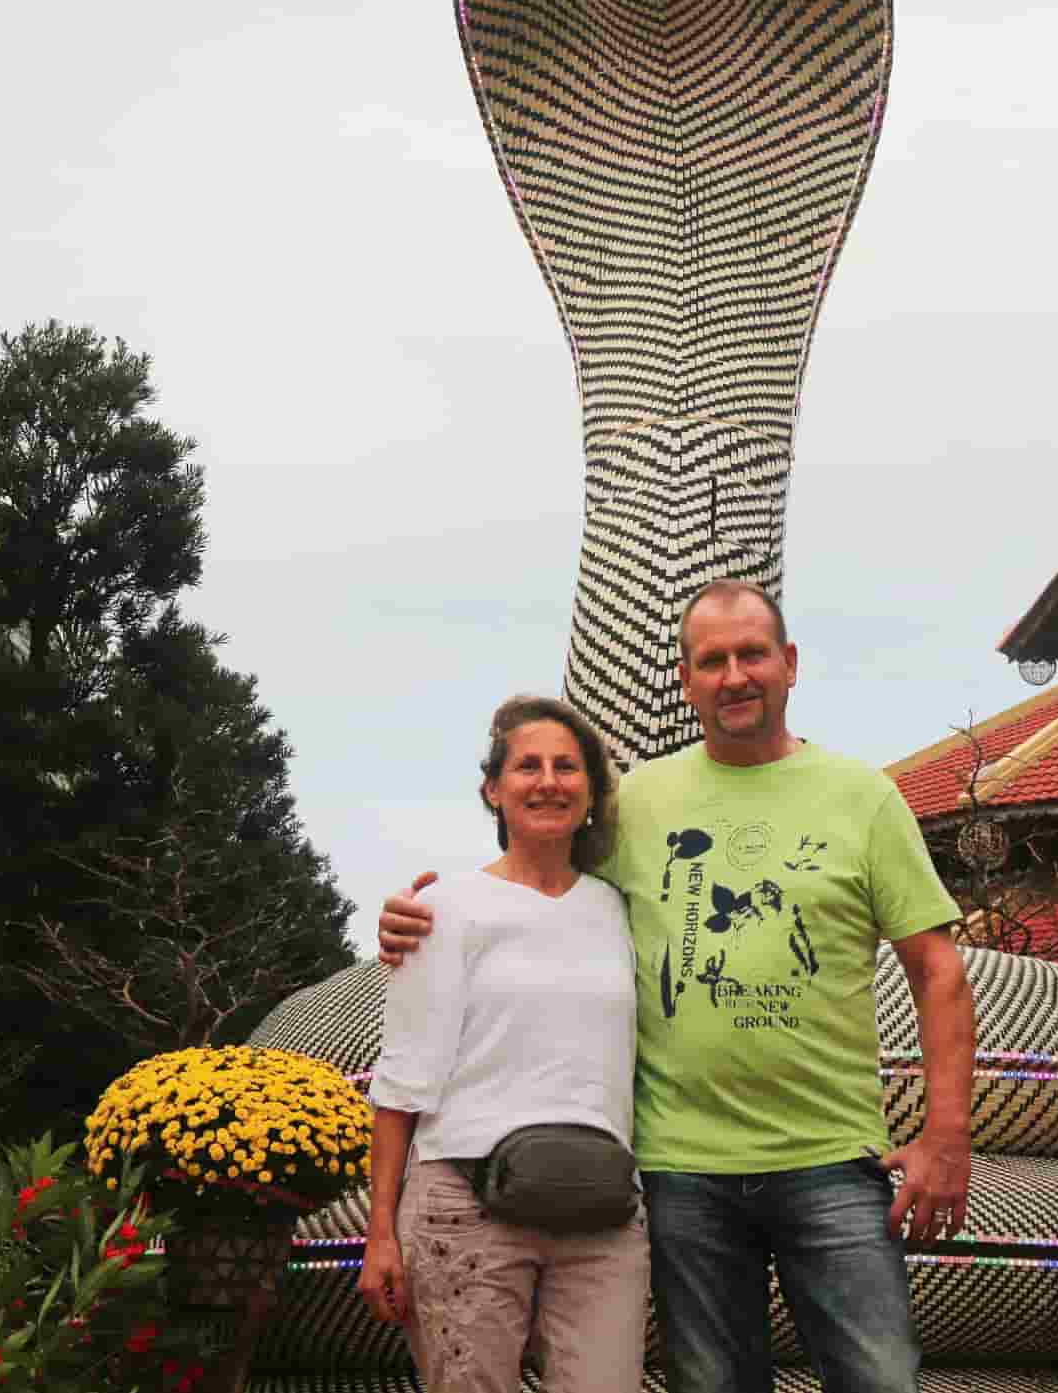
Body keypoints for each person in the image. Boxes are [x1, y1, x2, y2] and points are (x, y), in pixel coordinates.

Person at [380, 582, 976, 1393]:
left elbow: (937, 967)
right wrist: (423, 916)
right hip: (680, 1168)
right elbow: (535, 886)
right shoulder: (638, 802)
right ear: (685, 678)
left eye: (752, 654)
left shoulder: (862, 796)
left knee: (879, 1378)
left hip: (831, 1156)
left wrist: (947, 1133)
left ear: (790, 664)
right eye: (712, 660)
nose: (735, 676)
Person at [357, 694, 647, 1393]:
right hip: (466, 1201)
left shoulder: (622, 911)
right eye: (527, 766)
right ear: (493, 788)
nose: (548, 780)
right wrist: (381, 1229)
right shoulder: (443, 908)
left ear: (591, 791)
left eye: (566, 767)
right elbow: (403, 1078)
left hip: (601, 1210)